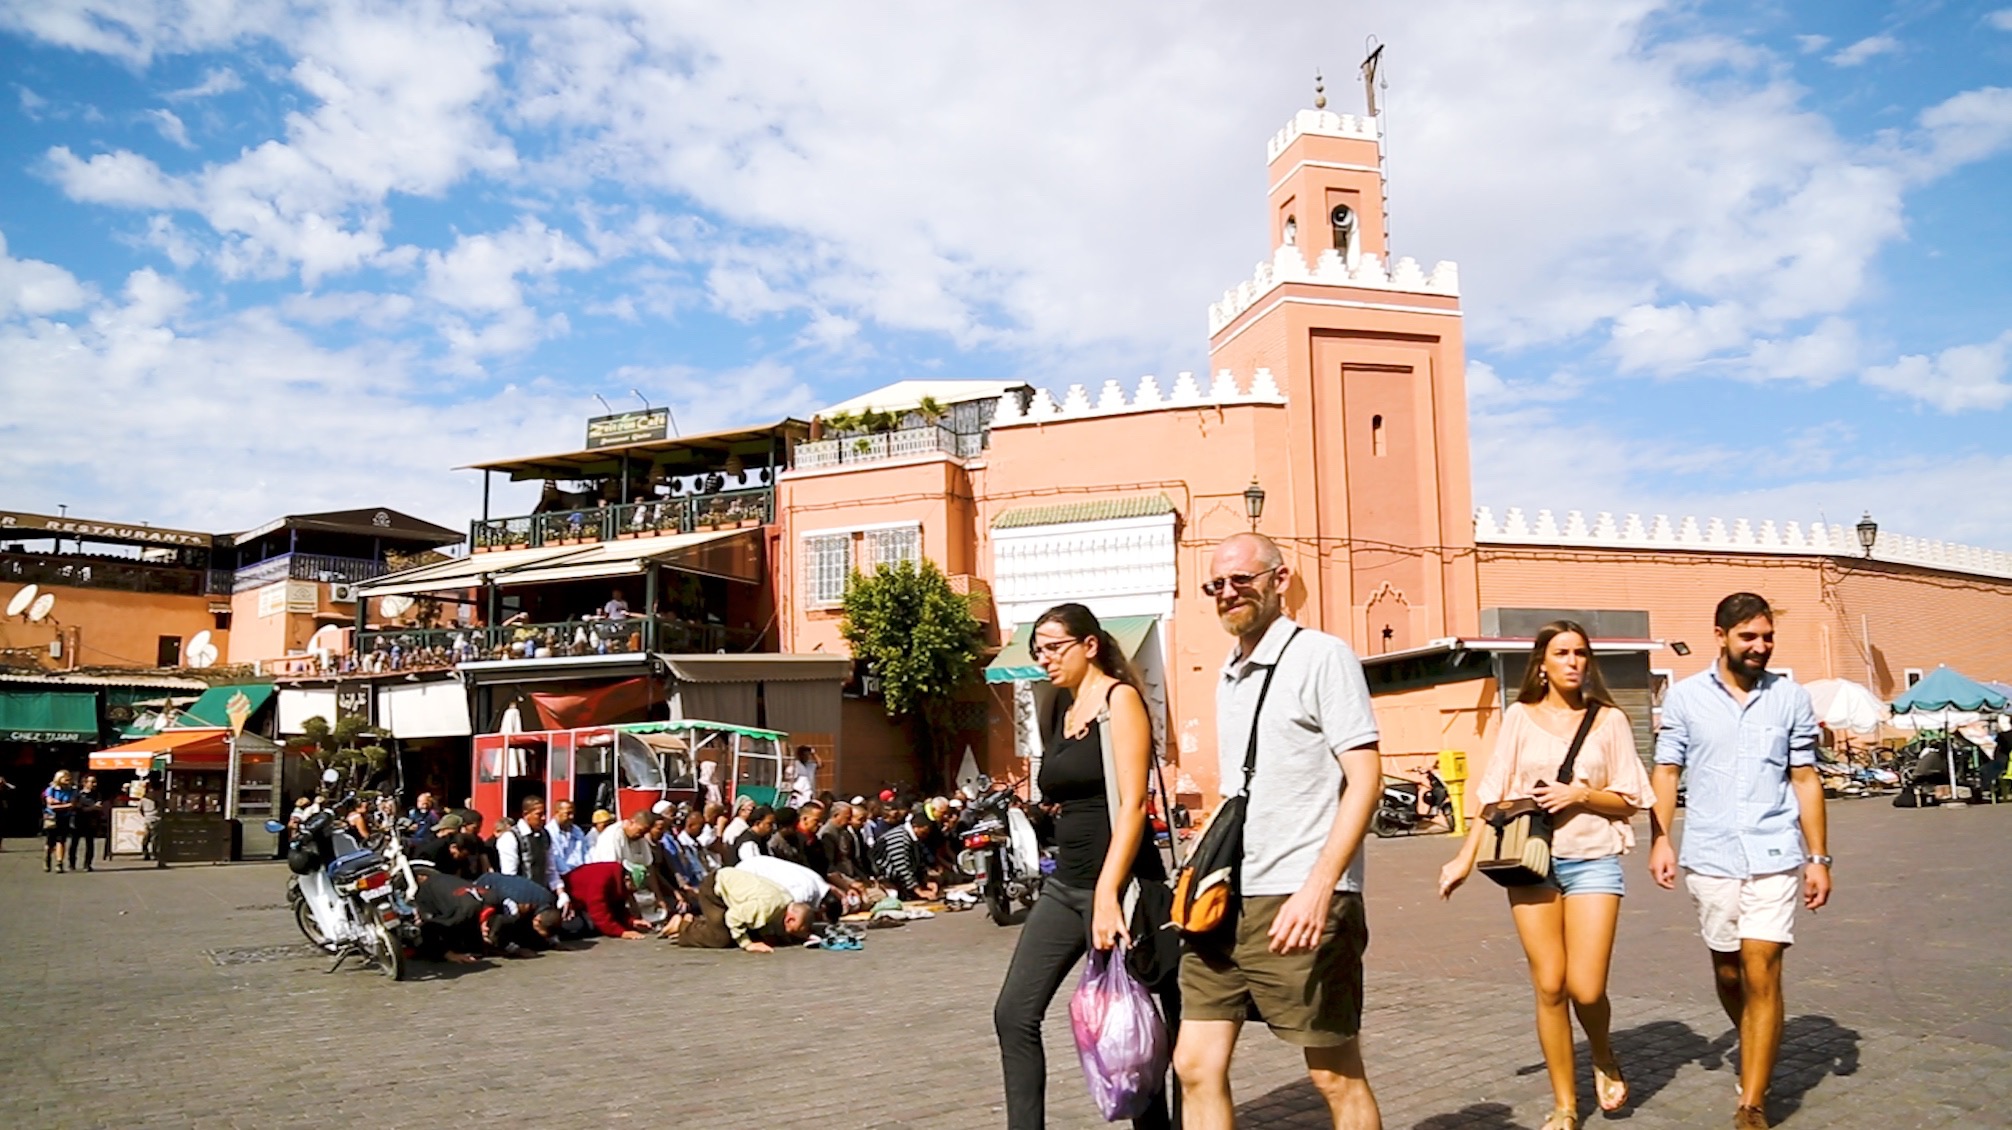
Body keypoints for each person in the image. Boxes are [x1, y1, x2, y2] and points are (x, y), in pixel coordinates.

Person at [1175, 532, 1383, 1130]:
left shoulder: (1322, 656)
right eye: (1217, 585)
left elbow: (1364, 778)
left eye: (1242, 580)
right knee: (1194, 1064)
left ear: (1280, 580)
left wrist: (1321, 887)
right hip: (1223, 899)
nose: (1228, 593)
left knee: (1334, 1073)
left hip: (1298, 893)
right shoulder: (1229, 673)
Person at [1438, 622, 1655, 1130]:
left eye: (1581, 653)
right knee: (1550, 985)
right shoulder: (1518, 717)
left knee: (1585, 986)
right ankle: (1565, 1104)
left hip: (1593, 859)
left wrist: (1579, 795)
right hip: (1528, 861)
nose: (1573, 661)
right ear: (1542, 663)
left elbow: (1631, 799)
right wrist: (1463, 859)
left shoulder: (1610, 721)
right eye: (1562, 653)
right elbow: (1492, 795)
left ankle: (1602, 1054)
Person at [1648, 593, 1829, 1130]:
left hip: (1775, 852)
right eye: (1749, 637)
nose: (1760, 647)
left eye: (1767, 637)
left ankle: (1752, 1101)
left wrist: (1817, 856)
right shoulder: (1684, 700)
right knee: (1730, 972)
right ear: (1721, 635)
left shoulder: (1790, 698)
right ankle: (1757, 1037)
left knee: (1763, 970)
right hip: (1710, 853)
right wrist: (1661, 839)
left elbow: (1804, 778)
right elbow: (1666, 772)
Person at [994, 602, 1176, 1130]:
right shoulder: (1057, 708)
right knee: (1014, 1013)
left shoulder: (1121, 701)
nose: (1044, 659)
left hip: (1122, 888)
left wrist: (1107, 893)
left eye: (1054, 647)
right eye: (1038, 651)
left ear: (1089, 645)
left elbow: (1133, 805)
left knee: (1132, 1024)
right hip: (1066, 884)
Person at [676, 865, 814, 953]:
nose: (794, 932)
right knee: (721, 938)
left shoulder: (784, 902)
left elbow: (765, 921)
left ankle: (699, 922)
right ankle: (684, 927)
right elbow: (733, 917)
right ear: (790, 919)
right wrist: (747, 944)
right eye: (797, 928)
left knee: (751, 933)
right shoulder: (766, 906)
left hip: (731, 889)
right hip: (713, 889)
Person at [498, 798, 564, 908]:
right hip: (521, 900)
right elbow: (509, 876)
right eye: (539, 814)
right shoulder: (510, 837)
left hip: (543, 896)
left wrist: (561, 893)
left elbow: (550, 869)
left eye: (545, 814)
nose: (543, 818)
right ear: (526, 814)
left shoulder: (545, 835)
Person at [560, 859, 649, 939]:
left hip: (581, 907)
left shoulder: (619, 882)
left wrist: (632, 921)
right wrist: (622, 933)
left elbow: (617, 908)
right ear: (627, 879)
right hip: (566, 904)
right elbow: (598, 913)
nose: (631, 893)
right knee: (583, 927)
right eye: (632, 888)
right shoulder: (603, 879)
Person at [877, 808, 938, 900]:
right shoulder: (900, 838)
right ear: (915, 827)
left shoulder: (914, 838)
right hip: (886, 876)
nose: (925, 836)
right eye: (923, 832)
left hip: (903, 876)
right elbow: (902, 868)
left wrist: (926, 880)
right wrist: (919, 891)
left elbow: (918, 861)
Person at [548, 799, 594, 879]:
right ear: (557, 813)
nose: (571, 817)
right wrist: (571, 876)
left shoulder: (577, 830)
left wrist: (590, 870)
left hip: (582, 872)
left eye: (573, 813)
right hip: (563, 876)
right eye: (568, 813)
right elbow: (556, 858)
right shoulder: (549, 832)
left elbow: (586, 853)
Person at [42, 770, 77, 874]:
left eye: (69, 779)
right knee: (50, 842)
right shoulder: (51, 789)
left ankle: (59, 863)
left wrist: (58, 805)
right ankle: (47, 858)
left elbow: (72, 804)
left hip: (64, 817)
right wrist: (64, 805)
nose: (68, 781)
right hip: (51, 817)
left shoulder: (72, 790)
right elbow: (50, 804)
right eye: (65, 779)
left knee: (61, 841)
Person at [68, 774, 102, 872]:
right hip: (78, 821)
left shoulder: (97, 794)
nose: (94, 784)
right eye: (92, 782)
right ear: (85, 783)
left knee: (90, 844)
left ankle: (87, 864)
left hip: (91, 822)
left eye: (95, 781)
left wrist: (91, 808)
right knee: (74, 843)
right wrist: (92, 808)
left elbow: (98, 806)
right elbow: (76, 808)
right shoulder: (77, 794)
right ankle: (72, 863)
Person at [137, 780, 162, 861]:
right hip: (156, 818)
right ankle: (155, 854)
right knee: (155, 838)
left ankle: (145, 853)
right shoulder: (158, 796)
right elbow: (161, 806)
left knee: (146, 837)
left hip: (147, 818)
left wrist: (145, 815)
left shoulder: (144, 798)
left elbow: (140, 809)